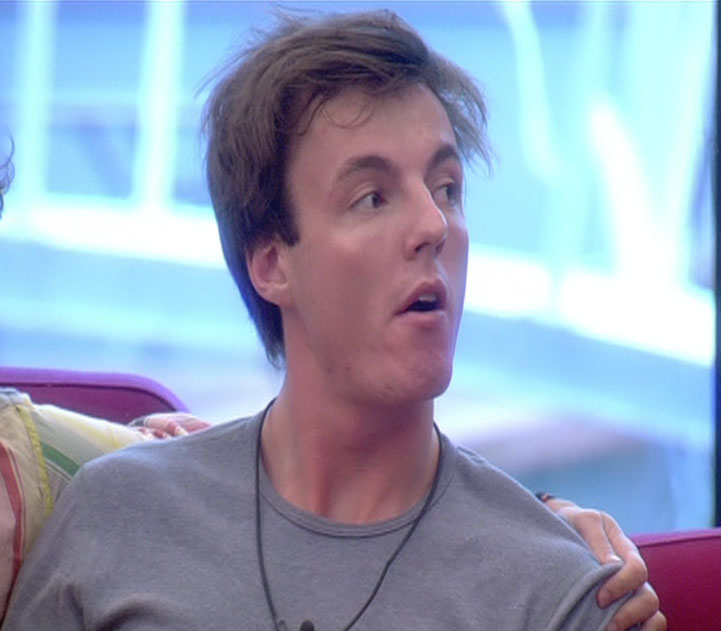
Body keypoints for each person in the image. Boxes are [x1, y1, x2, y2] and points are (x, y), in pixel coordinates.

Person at [2, 10, 663, 631]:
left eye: (447, 189)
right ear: (272, 263)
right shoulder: (118, 513)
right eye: (372, 197)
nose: (433, 225)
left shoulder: (559, 589)